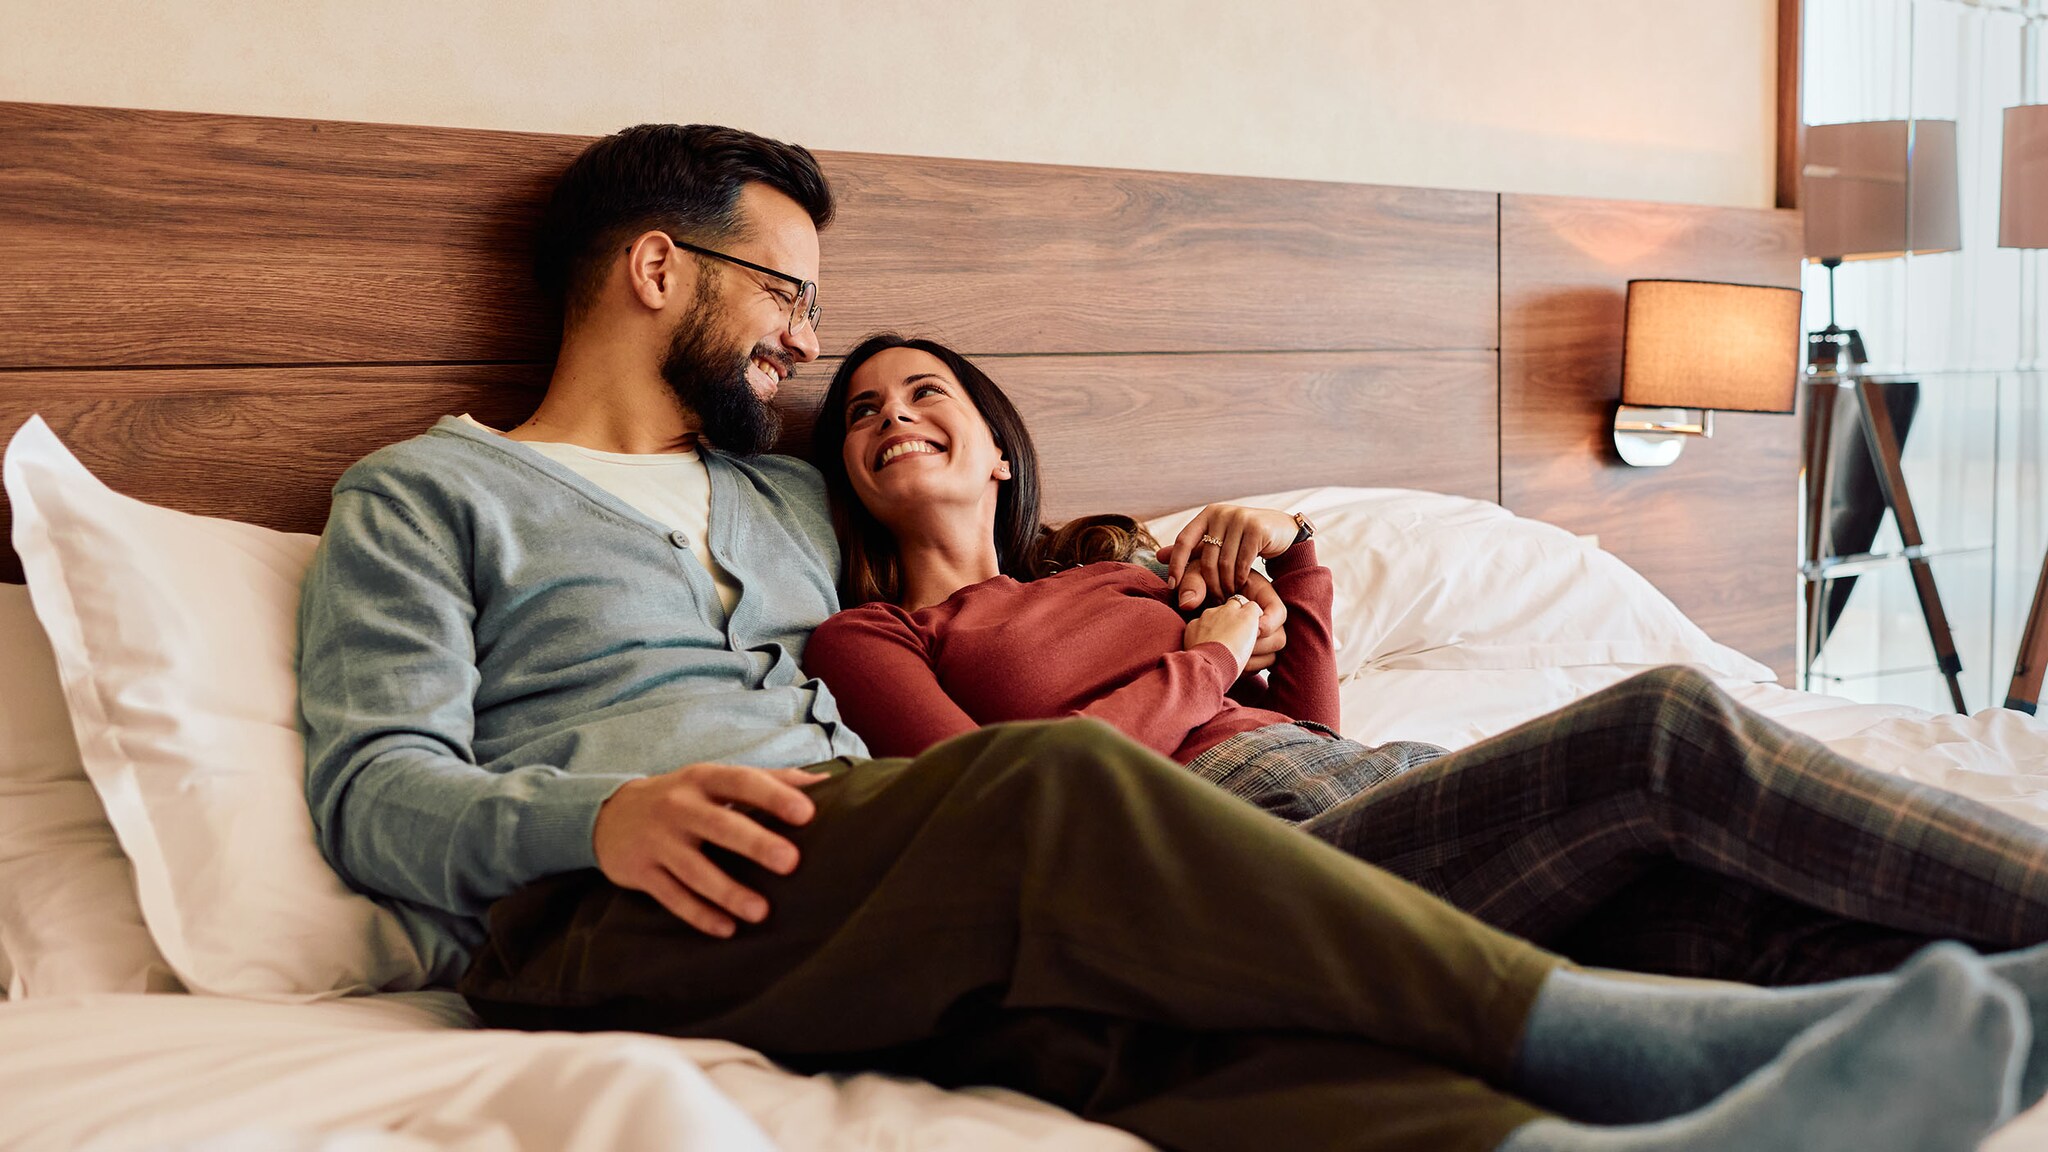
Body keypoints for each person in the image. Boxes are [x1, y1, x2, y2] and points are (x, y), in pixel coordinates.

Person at [296, 121, 2043, 1152]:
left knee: (1147, 1048)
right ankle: (1618, 1038)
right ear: (656, 271)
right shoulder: (427, 494)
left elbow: (986, 567)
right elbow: (379, 784)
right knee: (1040, 786)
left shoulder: (777, 505)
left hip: (870, 878)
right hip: (613, 907)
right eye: (787, 297)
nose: (805, 348)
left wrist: (1244, 578)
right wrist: (591, 818)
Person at [803, 332, 2048, 991]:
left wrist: (1288, 567)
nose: (892, 415)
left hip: (1364, 785)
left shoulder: (1112, 567)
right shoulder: (873, 639)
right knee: (1662, 732)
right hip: (1232, 853)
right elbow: (998, 808)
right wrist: (1205, 660)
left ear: (996, 448)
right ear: (847, 474)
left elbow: (1311, 718)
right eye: (860, 411)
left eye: (923, 392)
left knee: (1735, 935)